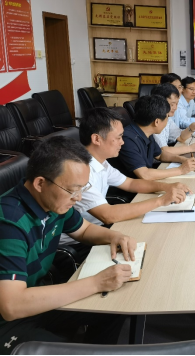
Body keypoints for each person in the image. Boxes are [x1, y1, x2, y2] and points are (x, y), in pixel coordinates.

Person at [0, 137, 138, 352]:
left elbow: (84, 230)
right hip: (7, 318)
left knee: (115, 308)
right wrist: (96, 283)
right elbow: (12, 306)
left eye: (83, 188)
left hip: (37, 295)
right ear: (40, 183)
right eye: (73, 190)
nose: (78, 198)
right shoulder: (9, 221)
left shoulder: (53, 202)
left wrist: (115, 236)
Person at [58, 108, 193, 260]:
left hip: (100, 228)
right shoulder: (79, 171)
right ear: (97, 139)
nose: (122, 142)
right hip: (79, 242)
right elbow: (108, 215)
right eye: (118, 137)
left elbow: (130, 183)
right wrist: (160, 201)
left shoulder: (101, 162)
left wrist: (166, 187)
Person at [116, 95, 195, 180]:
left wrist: (183, 160)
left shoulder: (146, 132)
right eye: (167, 117)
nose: (167, 121)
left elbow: (160, 155)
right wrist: (181, 170)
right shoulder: (128, 139)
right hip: (135, 186)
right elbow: (144, 174)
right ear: (156, 122)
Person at [151, 83, 195, 155]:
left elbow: (180, 137)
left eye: (177, 104)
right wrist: (190, 148)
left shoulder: (167, 118)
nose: (175, 108)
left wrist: (191, 128)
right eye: (172, 104)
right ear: (161, 102)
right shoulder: (156, 120)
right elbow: (163, 151)